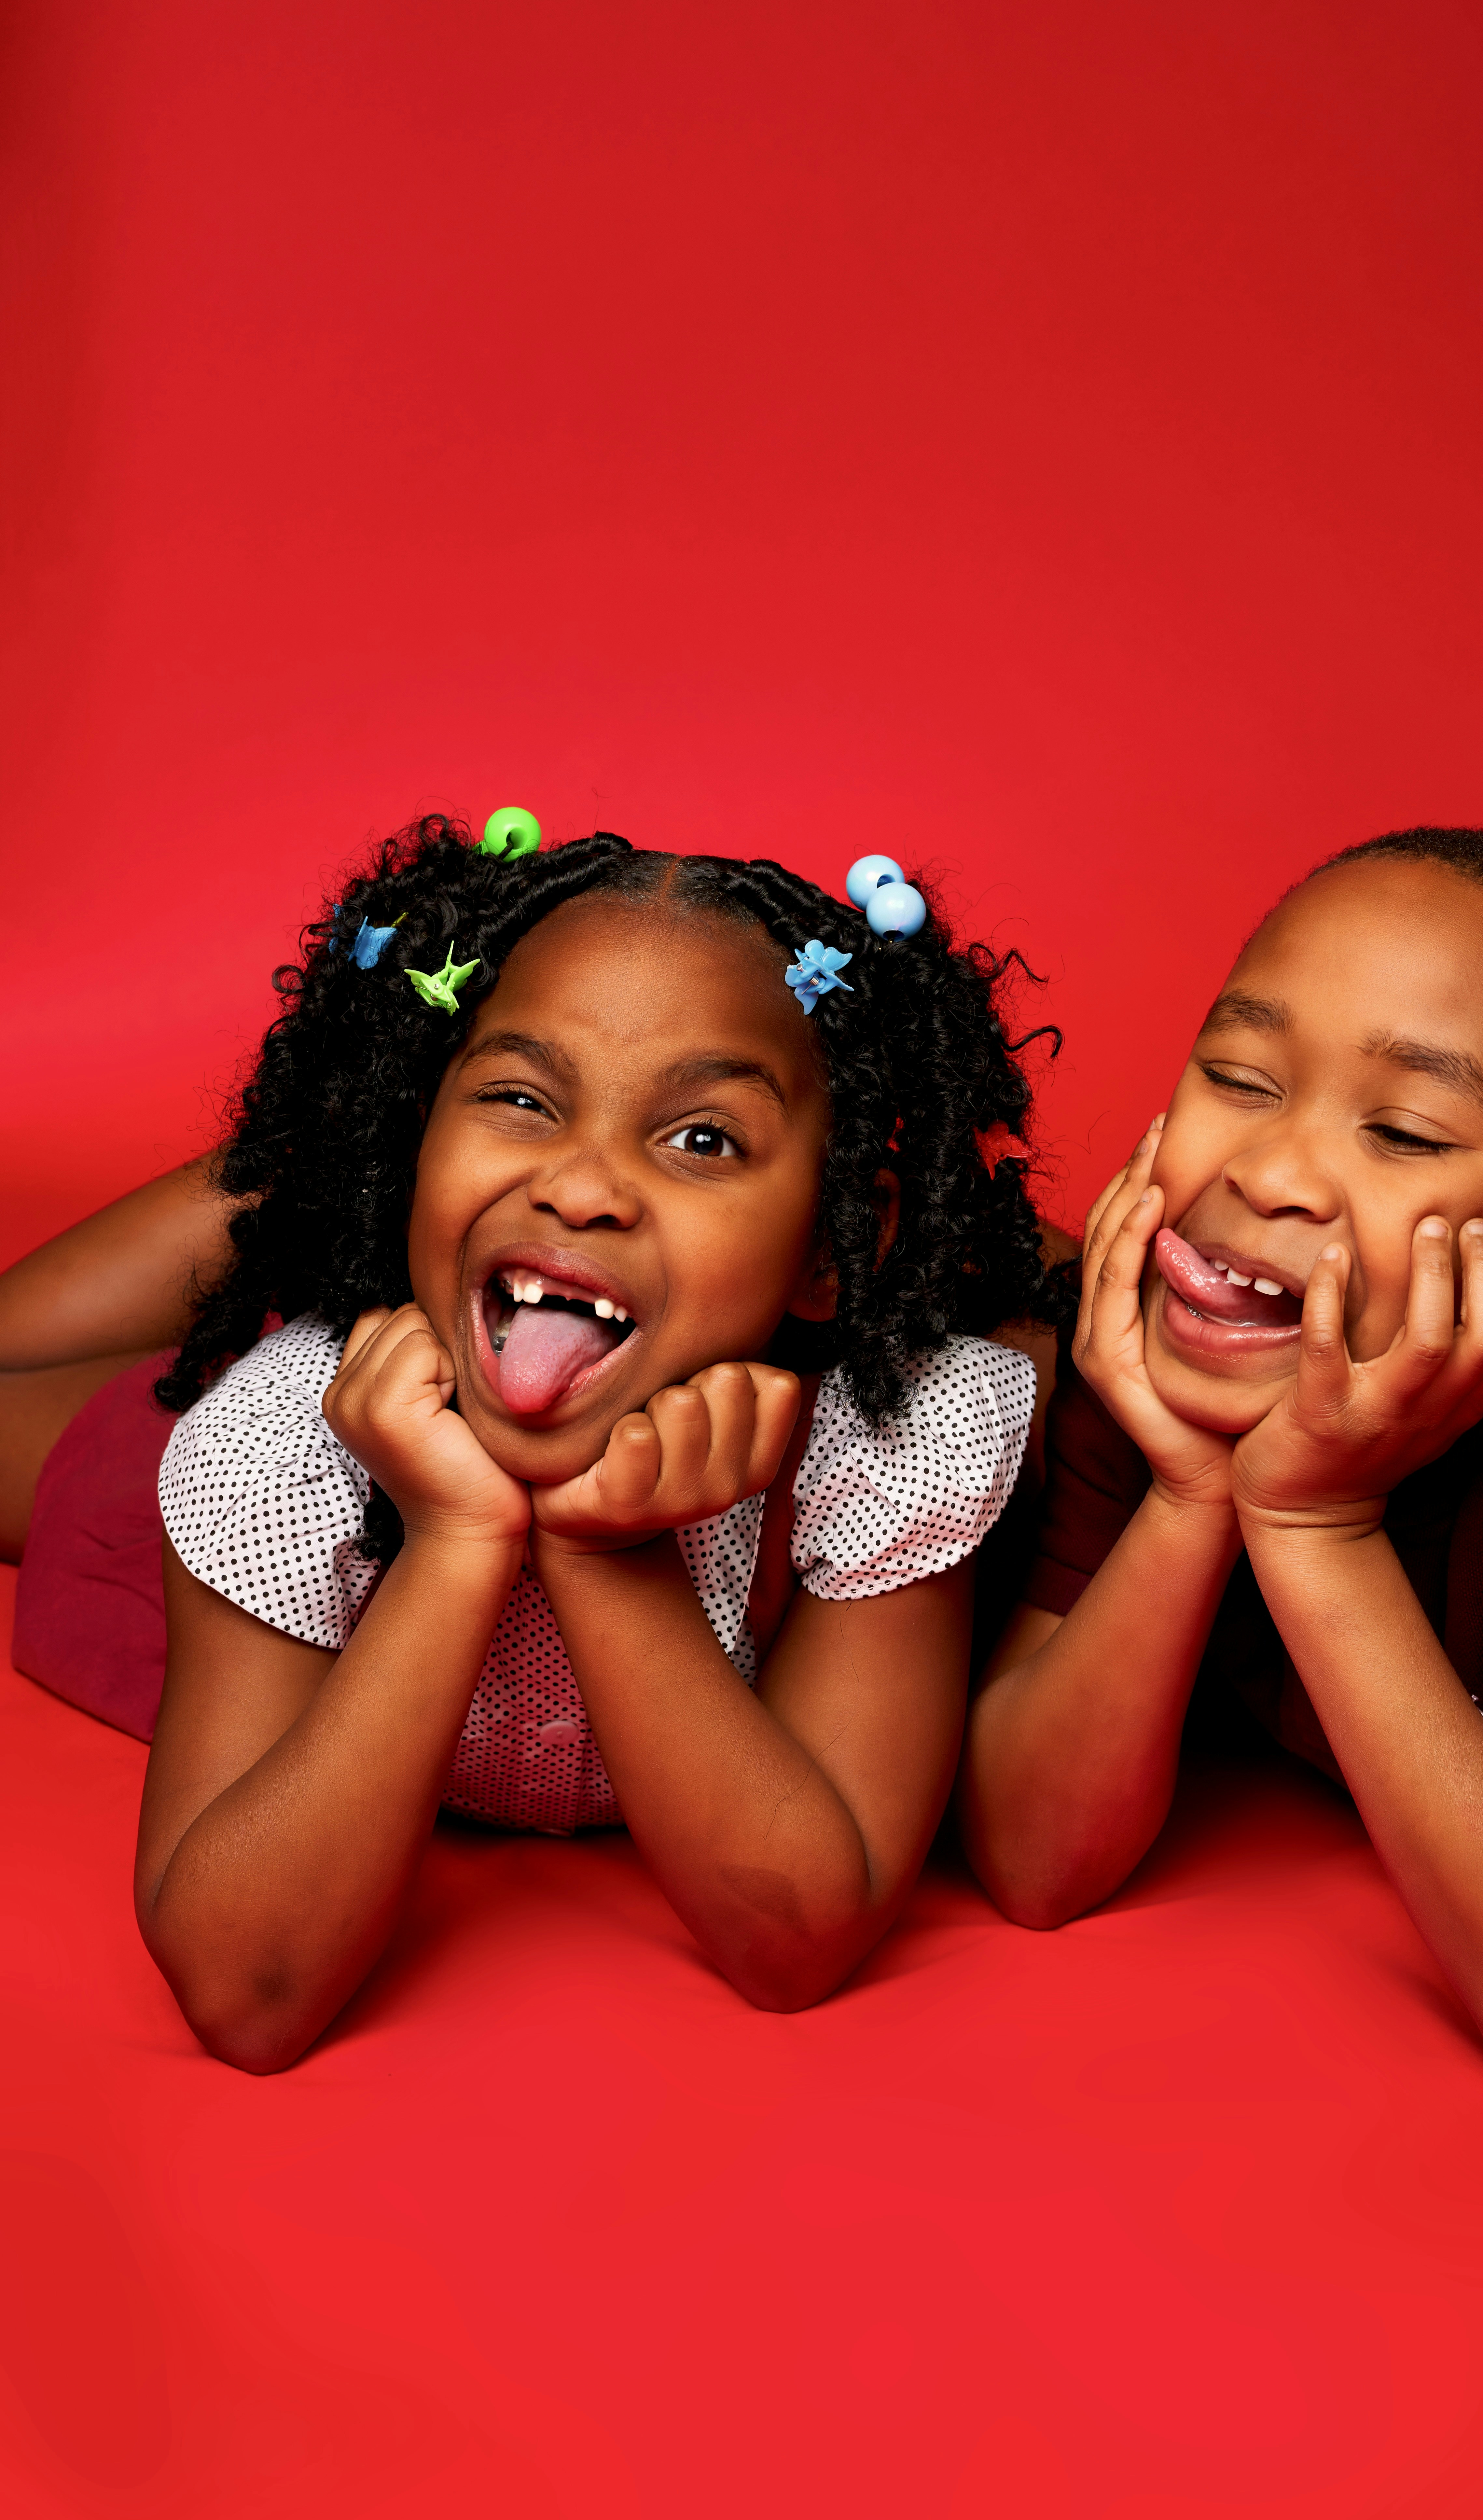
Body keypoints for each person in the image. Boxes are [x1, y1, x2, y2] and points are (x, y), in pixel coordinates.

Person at [6, 814, 1069, 2069]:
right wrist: (453, 1541)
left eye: (703, 1138)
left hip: (544, 1305)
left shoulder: (886, 1447)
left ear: (834, 1248)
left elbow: (798, 1931)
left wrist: (603, 1549)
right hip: (214, 1461)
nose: (585, 1182)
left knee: (1031, 1288)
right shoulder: (275, 1451)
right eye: (521, 1097)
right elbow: (247, 1996)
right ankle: (317, 1186)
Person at [962, 828, 1483, 2112]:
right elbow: (1032, 1860)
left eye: (1401, 1131)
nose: (1268, 1171)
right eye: (1238, 1074)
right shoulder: (1145, 1332)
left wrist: (1312, 1518)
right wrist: (1190, 1493)